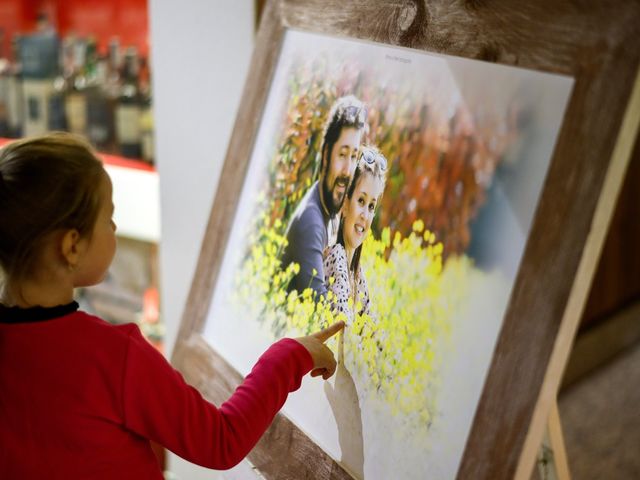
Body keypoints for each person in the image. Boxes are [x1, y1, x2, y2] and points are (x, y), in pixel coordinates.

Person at [0, 133, 343, 479]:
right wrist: (290, 356)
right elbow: (220, 441)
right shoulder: (115, 358)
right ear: (72, 246)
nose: (114, 227)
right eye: (108, 218)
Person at [281, 95, 367, 297]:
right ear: (327, 153)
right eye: (342, 154)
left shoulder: (329, 214)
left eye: (354, 157)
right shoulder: (312, 223)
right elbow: (323, 319)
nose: (347, 170)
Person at [323, 146, 388, 325]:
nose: (365, 216)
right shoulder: (337, 256)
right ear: (345, 204)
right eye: (361, 201)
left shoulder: (356, 274)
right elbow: (344, 331)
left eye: (371, 206)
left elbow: (373, 333)